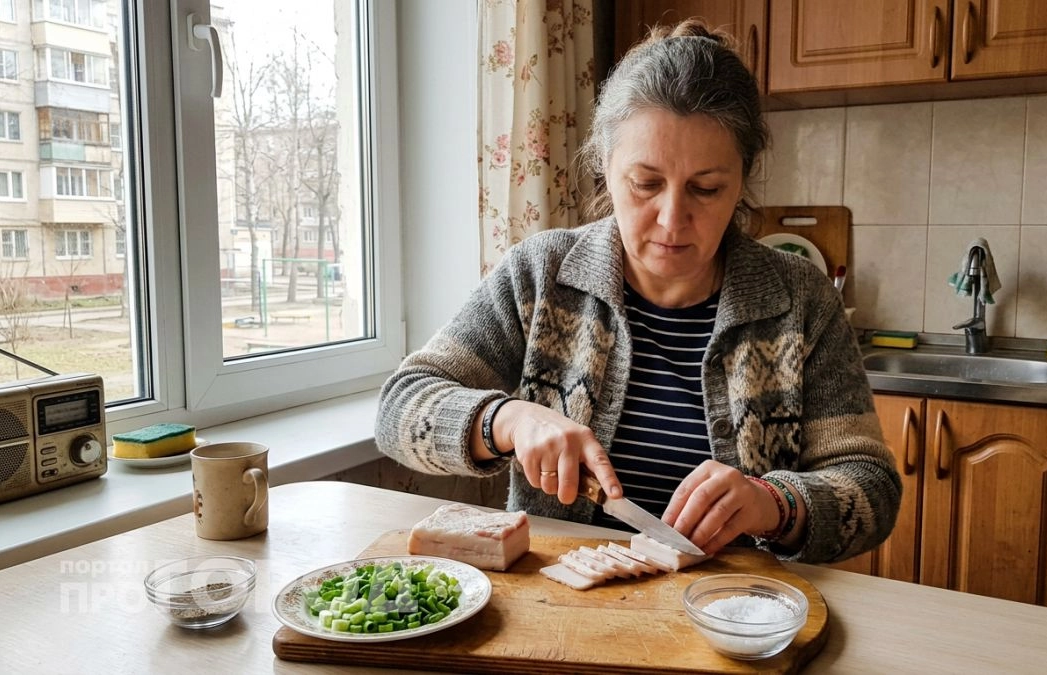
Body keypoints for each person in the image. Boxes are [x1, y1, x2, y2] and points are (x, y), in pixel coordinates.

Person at [376, 19, 900, 563]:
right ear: (605, 166)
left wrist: (777, 502)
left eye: (707, 188)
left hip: (735, 612)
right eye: (646, 183)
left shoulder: (800, 301)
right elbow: (399, 408)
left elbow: (872, 489)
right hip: (562, 614)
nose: (673, 219)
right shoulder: (541, 274)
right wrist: (508, 420)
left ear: (743, 179)